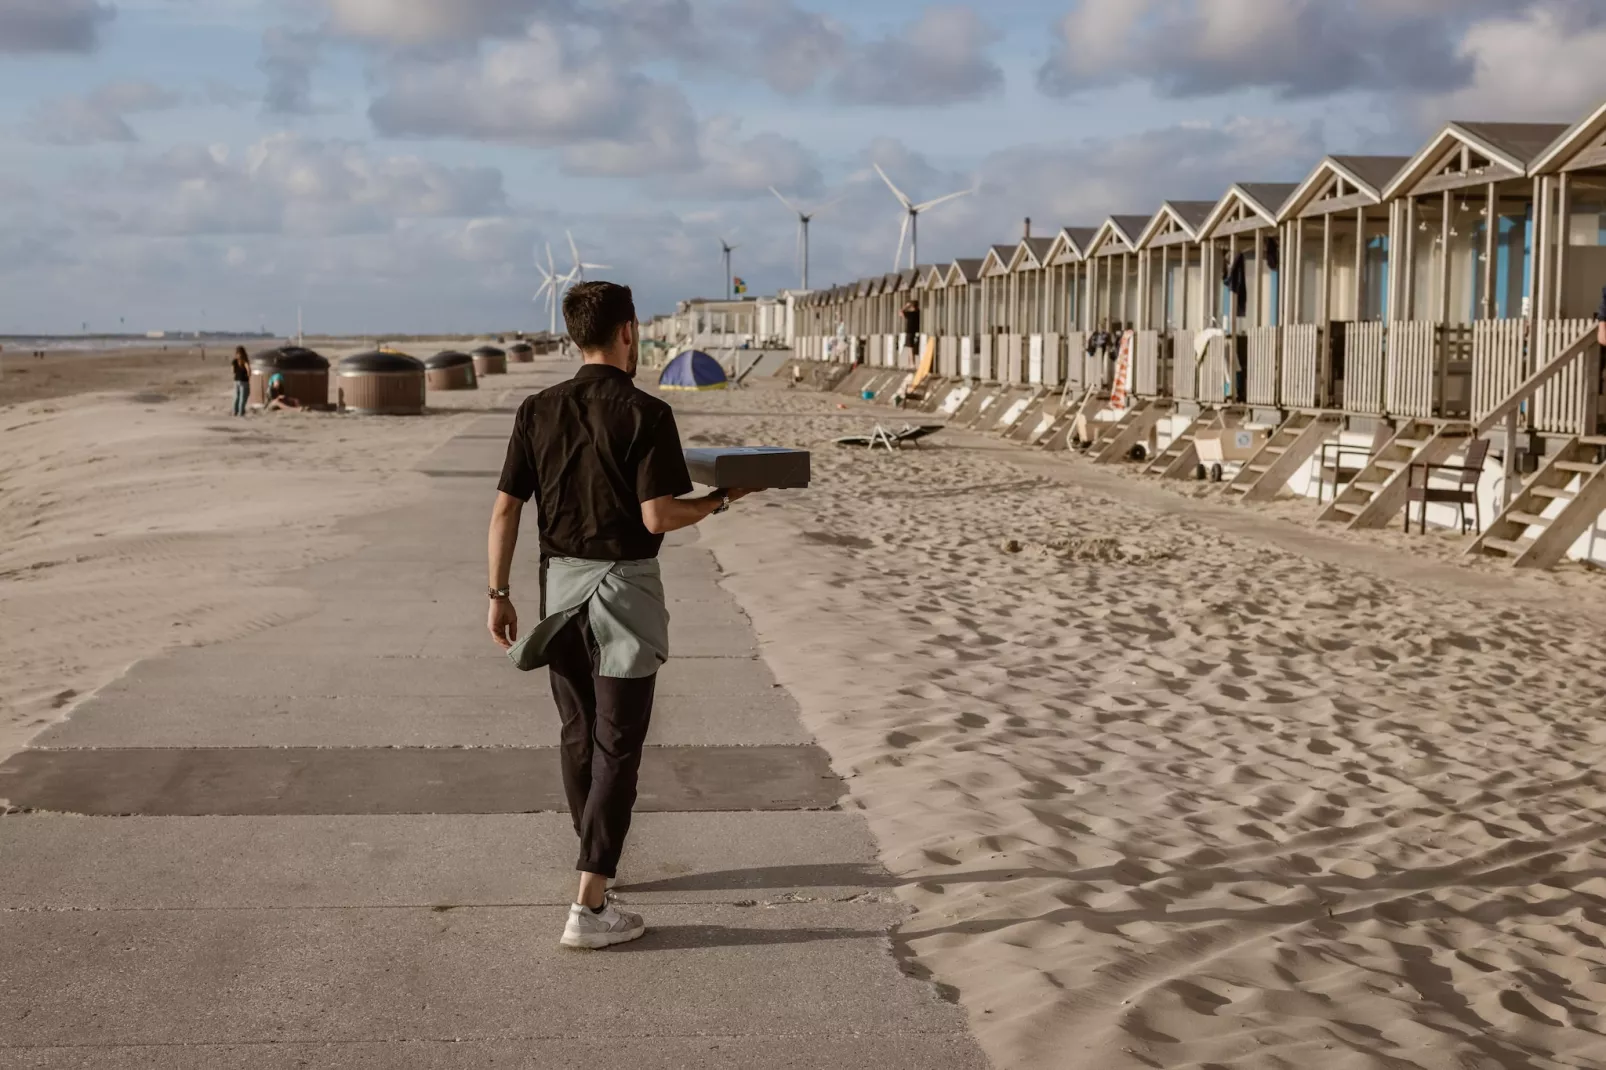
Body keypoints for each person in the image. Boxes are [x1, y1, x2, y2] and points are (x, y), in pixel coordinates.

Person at [487, 281, 756, 950]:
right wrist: (720, 500)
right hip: (623, 598)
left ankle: (594, 866)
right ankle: (590, 900)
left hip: (557, 594)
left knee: (579, 735)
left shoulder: (536, 409)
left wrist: (498, 593)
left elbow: (505, 510)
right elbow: (658, 516)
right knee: (618, 747)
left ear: (577, 334)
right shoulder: (647, 413)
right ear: (629, 332)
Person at [231, 347, 251, 417]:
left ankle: (234, 412)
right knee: (243, 397)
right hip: (244, 380)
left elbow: (233, 371)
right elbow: (249, 370)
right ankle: (240, 412)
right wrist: (248, 377)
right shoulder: (245, 360)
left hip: (236, 380)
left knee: (236, 396)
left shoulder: (234, 361)